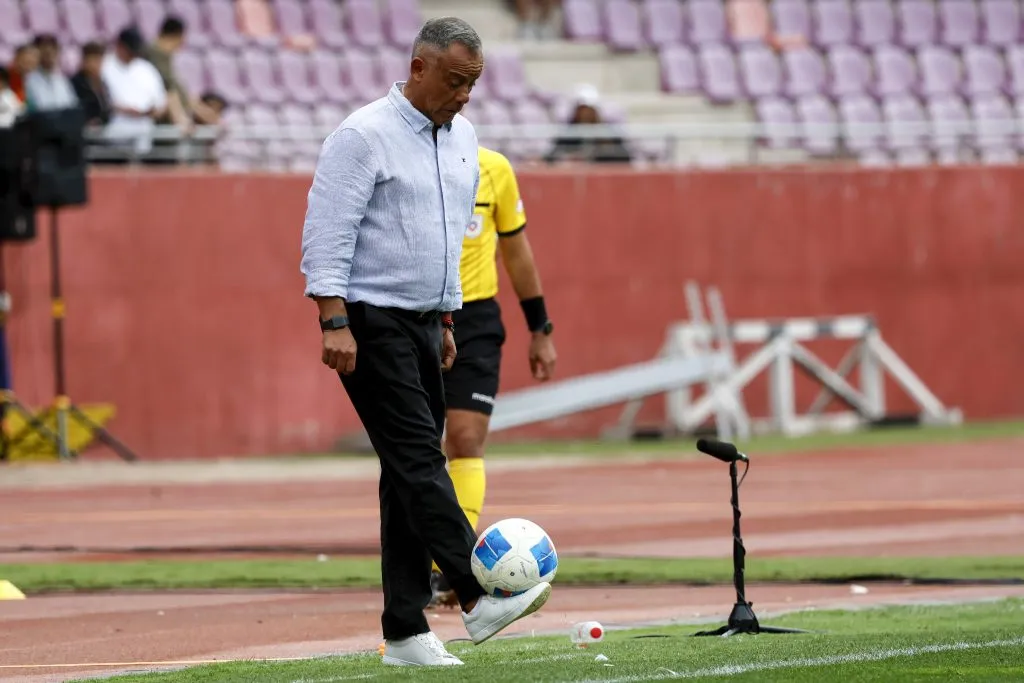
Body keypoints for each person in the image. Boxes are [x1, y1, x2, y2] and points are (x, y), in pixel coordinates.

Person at [299, 16, 552, 668]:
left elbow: (447, 235)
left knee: (402, 473)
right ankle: (475, 591)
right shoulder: (362, 135)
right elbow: (327, 231)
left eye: (473, 83)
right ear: (419, 67)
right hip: (369, 318)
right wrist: (333, 319)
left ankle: (406, 629)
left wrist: (445, 319)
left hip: (426, 320)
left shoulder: (463, 138)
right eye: (456, 80)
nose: (464, 95)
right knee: (419, 458)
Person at [427, 145, 557, 608]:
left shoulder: (494, 168)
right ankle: (411, 563)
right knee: (418, 447)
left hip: (476, 317)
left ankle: (447, 568)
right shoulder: (404, 158)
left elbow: (517, 251)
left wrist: (540, 328)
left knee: (464, 438)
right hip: (414, 313)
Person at [23, 34, 78, 112]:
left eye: (53, 51)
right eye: (46, 53)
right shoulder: (28, 80)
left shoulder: (63, 80)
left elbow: (73, 106)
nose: (50, 55)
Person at [71, 42, 113, 127]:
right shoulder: (76, 83)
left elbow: (107, 109)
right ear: (85, 61)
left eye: (100, 61)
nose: (98, 65)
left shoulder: (102, 83)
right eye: (94, 60)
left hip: (102, 127)